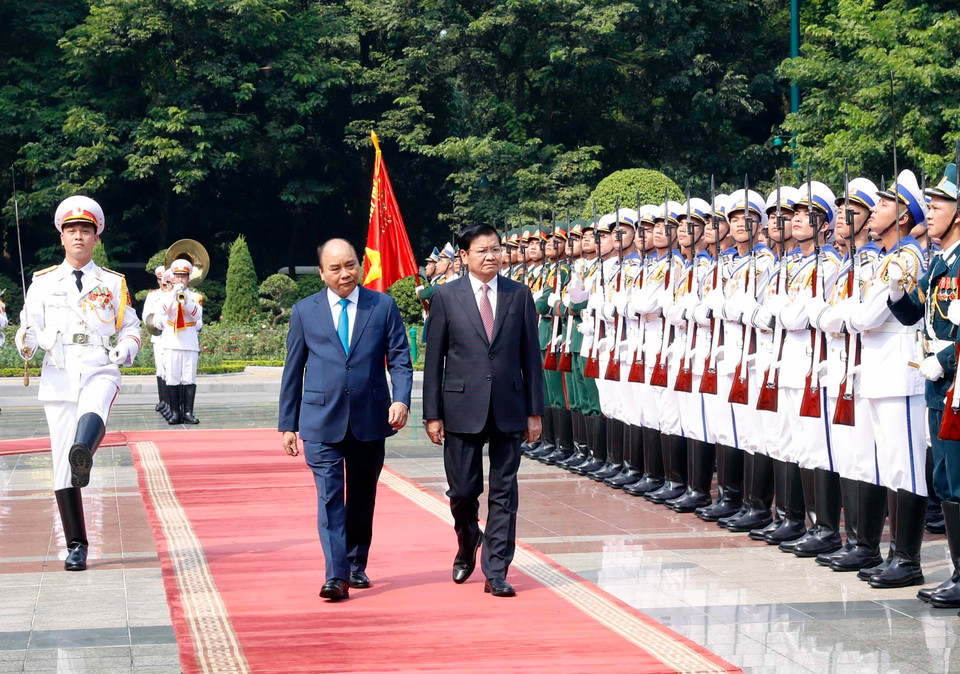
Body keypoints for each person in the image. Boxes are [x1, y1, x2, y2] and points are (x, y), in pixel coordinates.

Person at [279, 238, 412, 602]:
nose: (344, 274)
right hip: (321, 420)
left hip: (370, 417)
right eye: (335, 268)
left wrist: (401, 399)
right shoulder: (305, 311)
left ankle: (356, 563)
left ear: (359, 266)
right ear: (321, 273)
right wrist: (288, 424)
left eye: (350, 265)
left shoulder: (382, 306)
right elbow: (293, 370)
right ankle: (335, 575)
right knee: (330, 496)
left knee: (362, 497)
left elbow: (400, 358)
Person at [15, 195, 141, 571]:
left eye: (86, 230)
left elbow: (131, 326)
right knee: (60, 464)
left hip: (100, 364)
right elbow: (28, 328)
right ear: (62, 237)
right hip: (59, 372)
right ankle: (76, 544)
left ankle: (83, 449)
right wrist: (26, 343)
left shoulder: (114, 283)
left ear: (96, 237)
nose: (79, 237)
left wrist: (127, 347)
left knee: (95, 406)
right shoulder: (42, 283)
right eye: (72, 230)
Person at [423, 223, 543, 597]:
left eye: (496, 249)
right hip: (460, 408)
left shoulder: (519, 295)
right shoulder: (445, 296)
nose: (491, 256)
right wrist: (432, 414)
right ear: (464, 256)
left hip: (509, 405)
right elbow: (434, 361)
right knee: (462, 492)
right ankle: (468, 538)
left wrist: (534, 411)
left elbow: (530, 357)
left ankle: (496, 569)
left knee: (504, 492)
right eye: (482, 251)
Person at [151, 258, 203, 424]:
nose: (180, 279)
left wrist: (185, 301)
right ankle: (174, 413)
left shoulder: (195, 296)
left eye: (184, 276)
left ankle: (188, 412)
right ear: (173, 278)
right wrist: (174, 295)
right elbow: (163, 311)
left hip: (189, 342)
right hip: (171, 342)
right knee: (172, 377)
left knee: (189, 378)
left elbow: (197, 315)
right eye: (178, 276)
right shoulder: (166, 297)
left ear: (189, 278)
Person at [142, 266, 169, 417]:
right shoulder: (153, 296)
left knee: (171, 369)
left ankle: (171, 402)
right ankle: (163, 400)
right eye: (160, 279)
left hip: (173, 335)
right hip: (158, 335)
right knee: (160, 368)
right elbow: (146, 316)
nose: (163, 282)